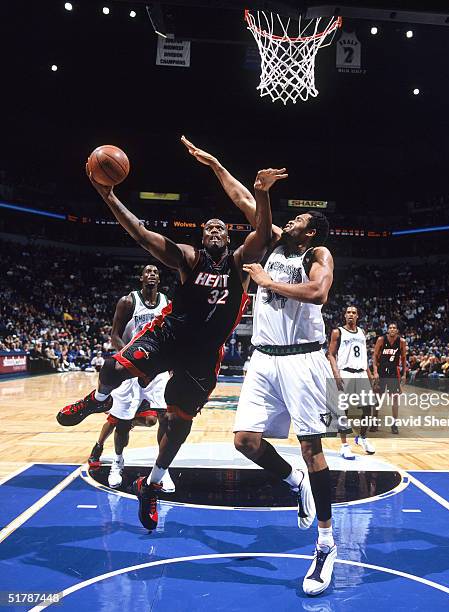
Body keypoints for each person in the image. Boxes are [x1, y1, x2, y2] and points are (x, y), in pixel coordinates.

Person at [57, 143, 284, 531]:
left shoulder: (241, 264)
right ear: (201, 236)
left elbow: (263, 234)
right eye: (208, 227)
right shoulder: (190, 258)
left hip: (203, 355)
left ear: (229, 237)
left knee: (179, 423)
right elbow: (144, 237)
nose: (215, 228)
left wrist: (259, 194)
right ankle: (97, 401)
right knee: (113, 369)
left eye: (221, 227)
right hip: (168, 336)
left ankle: (153, 482)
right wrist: (109, 197)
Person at [195, 146, 339, 595]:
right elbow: (244, 201)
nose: (289, 220)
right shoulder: (275, 240)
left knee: (313, 448)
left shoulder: (318, 253)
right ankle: (293, 482)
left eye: (298, 219)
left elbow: (317, 294)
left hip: (303, 357)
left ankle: (326, 543)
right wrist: (220, 166)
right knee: (245, 441)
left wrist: (268, 283)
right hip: (264, 357)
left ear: (310, 230)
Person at [87, 264, 174, 492]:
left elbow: (171, 336)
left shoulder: (167, 303)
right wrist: (129, 360)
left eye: (155, 272)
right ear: (141, 278)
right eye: (148, 271)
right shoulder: (128, 301)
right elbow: (114, 335)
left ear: (160, 278)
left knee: (164, 418)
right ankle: (117, 462)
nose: (152, 274)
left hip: (156, 369)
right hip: (130, 368)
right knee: (122, 422)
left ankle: (162, 470)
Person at [327, 305, 375, 457]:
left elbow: (363, 356)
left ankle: (362, 437)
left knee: (368, 409)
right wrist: (336, 373)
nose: (351, 315)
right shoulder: (338, 332)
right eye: (348, 312)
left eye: (354, 313)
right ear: (344, 315)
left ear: (357, 316)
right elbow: (331, 354)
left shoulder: (362, 332)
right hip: (345, 373)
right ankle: (344, 445)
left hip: (361, 373)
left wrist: (369, 373)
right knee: (344, 411)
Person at [372, 323, 407, 434]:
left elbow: (404, 358)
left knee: (395, 399)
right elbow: (375, 356)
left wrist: (404, 374)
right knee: (378, 398)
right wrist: (375, 372)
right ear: (388, 330)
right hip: (382, 371)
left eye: (394, 328)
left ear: (397, 330)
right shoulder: (381, 339)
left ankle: (394, 424)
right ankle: (374, 422)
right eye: (390, 328)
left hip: (393, 372)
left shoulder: (401, 342)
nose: (392, 329)